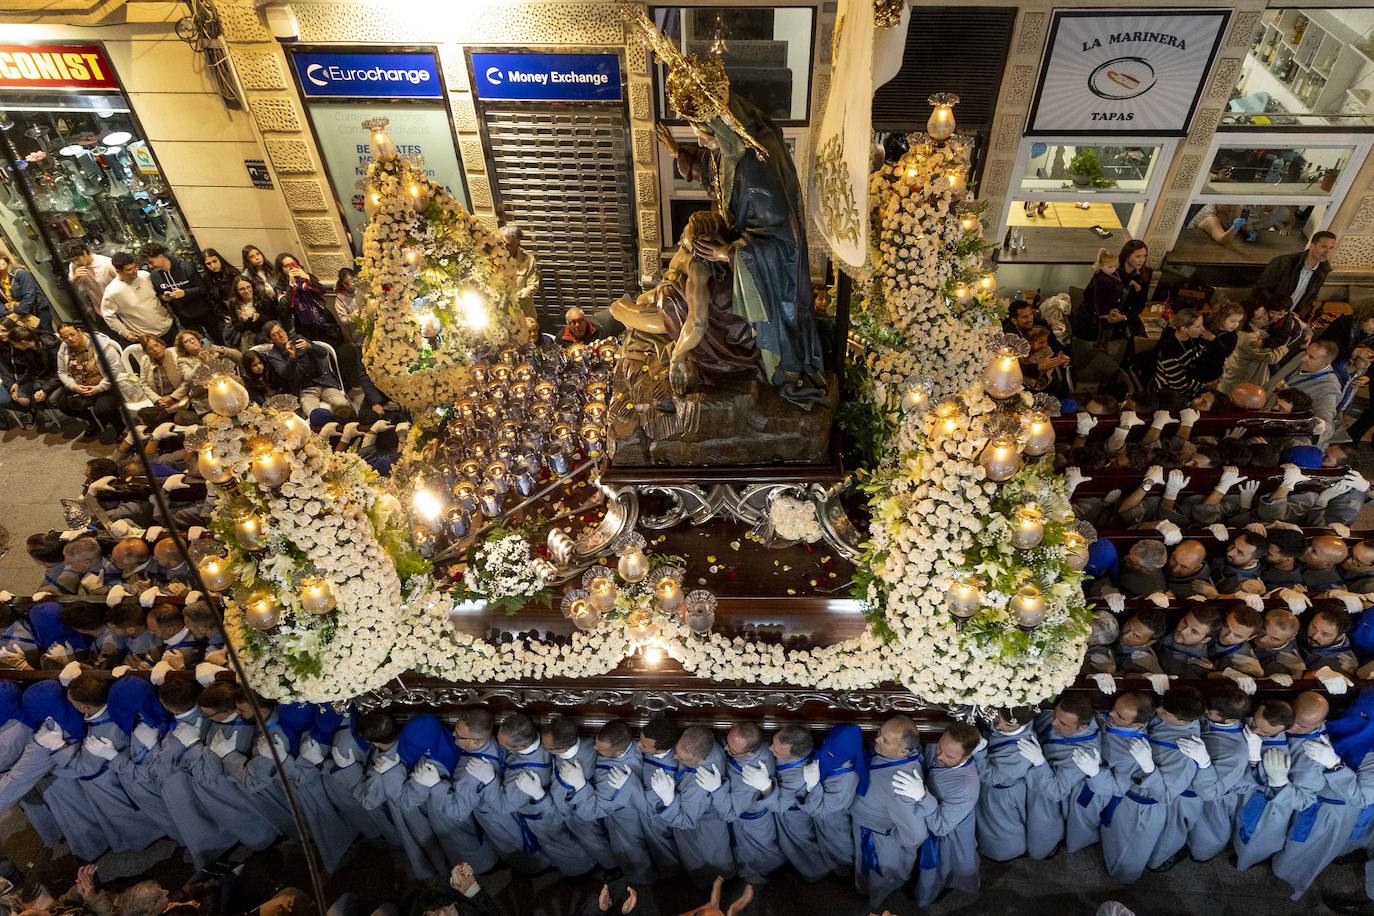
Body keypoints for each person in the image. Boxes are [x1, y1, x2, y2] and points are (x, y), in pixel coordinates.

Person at [850, 715, 927, 908]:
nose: (876, 740)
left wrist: (888, 835)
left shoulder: (900, 787)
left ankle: (879, 901)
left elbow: (915, 835)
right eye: (879, 734)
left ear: (903, 752)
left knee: (880, 876)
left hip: (879, 840)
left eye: (884, 740)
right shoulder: (895, 756)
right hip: (867, 825)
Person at [651, 724, 734, 887]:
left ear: (702, 760)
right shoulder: (707, 747)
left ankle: (711, 887)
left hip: (701, 827)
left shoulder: (698, 785)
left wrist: (668, 800)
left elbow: (685, 821)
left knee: (703, 858)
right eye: (677, 751)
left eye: (683, 759)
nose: (675, 757)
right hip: (708, 820)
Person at [914, 723, 981, 906]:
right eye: (940, 748)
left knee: (938, 870)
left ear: (966, 756)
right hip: (929, 819)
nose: (939, 757)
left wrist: (923, 796)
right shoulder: (941, 751)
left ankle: (927, 897)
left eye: (949, 756)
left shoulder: (966, 788)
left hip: (948, 836)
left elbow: (941, 827)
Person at [721, 720, 784, 884]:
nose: (726, 749)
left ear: (748, 753)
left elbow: (730, 813)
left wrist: (716, 789)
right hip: (757, 814)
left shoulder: (747, 780)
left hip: (752, 819)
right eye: (727, 742)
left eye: (732, 750)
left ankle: (764, 874)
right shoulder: (758, 746)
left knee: (757, 849)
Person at [54, 321, 132, 442]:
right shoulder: (64, 348)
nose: (70, 339)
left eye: (72, 334)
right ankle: (93, 421)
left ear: (79, 331)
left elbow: (116, 370)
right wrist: (74, 386)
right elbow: (62, 372)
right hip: (81, 386)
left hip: (106, 386)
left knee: (103, 409)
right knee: (62, 405)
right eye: (65, 338)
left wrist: (99, 388)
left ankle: (120, 427)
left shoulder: (100, 344)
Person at [260, 321, 349, 415]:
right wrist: (292, 358)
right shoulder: (274, 355)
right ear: (271, 340)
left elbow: (323, 353)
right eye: (275, 334)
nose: (281, 335)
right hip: (305, 389)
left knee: (343, 405)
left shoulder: (297, 339)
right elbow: (285, 374)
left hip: (324, 381)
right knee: (314, 415)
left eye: (281, 331)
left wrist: (310, 346)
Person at [1070, 248, 1128, 385]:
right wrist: (1105, 314)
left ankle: (1101, 346)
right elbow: (1099, 301)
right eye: (1110, 267)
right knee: (1104, 332)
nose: (1113, 269)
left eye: (1115, 266)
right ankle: (1100, 347)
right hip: (1100, 315)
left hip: (1109, 311)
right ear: (1101, 266)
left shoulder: (1110, 274)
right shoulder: (1101, 280)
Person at [1267, 339, 1342, 444]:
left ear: (1326, 362)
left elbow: (1326, 425)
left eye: (1311, 357)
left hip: (1277, 434)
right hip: (1264, 408)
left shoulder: (1329, 389)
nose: (1304, 358)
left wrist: (1319, 426)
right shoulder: (1302, 356)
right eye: (1307, 352)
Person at [142, 242, 218, 344]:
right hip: (185, 317)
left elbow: (203, 288)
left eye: (151, 262)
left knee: (218, 339)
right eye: (148, 263)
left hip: (205, 311)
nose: (150, 266)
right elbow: (159, 297)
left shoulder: (185, 267)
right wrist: (164, 298)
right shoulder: (155, 276)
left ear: (160, 256)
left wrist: (185, 293)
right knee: (199, 344)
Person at [1254, 231, 1337, 319]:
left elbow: (1311, 298)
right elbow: (1260, 289)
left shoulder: (1323, 270)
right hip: (1266, 314)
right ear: (1312, 245)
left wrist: (1299, 314)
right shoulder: (1284, 262)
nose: (1327, 252)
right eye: (1324, 246)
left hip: (1289, 318)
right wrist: (1277, 310)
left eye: (1331, 248)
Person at [100, 251, 174, 345]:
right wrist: (125, 333)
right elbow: (108, 316)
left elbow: (158, 297)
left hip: (169, 327)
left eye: (135, 266)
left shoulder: (145, 275)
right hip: (148, 339)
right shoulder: (112, 291)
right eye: (129, 269)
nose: (135, 271)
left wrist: (164, 297)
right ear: (118, 271)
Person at [173, 329, 243, 416]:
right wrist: (200, 362)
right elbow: (189, 378)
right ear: (183, 348)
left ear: (199, 340)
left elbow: (239, 356)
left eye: (193, 338)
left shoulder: (209, 348)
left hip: (228, 389)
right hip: (205, 397)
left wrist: (222, 350)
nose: (191, 341)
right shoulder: (183, 360)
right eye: (186, 341)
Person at [0, 323, 60, 422]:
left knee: (42, 400)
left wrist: (43, 389)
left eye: (3, 330)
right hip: (30, 378)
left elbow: (54, 371)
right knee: (4, 399)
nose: (0, 334)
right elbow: (4, 370)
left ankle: (38, 409)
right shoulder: (29, 349)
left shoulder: (41, 346)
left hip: (52, 377)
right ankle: (33, 411)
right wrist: (13, 384)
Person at [61, 240, 118, 336]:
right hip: (100, 311)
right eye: (71, 261)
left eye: (77, 259)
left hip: (118, 310)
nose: (75, 262)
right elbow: (71, 288)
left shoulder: (106, 263)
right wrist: (74, 278)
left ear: (84, 252)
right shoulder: (73, 266)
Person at [1151, 308, 1207, 397]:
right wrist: (1205, 384)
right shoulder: (1170, 351)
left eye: (1202, 324)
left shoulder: (1193, 337)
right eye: (1198, 326)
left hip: (1192, 381)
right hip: (1171, 394)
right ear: (1184, 329)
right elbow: (1179, 385)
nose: (1203, 329)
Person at [1191, 302, 1245, 388]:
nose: (1236, 325)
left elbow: (1225, 353)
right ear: (1221, 318)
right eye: (1232, 321)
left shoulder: (1232, 336)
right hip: (1196, 365)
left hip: (1210, 372)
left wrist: (1214, 339)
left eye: (1238, 321)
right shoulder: (1211, 326)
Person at [0, 251, 53, 332]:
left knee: (46, 338)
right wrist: (8, 315)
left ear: (5, 259)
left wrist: (18, 313)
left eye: (0, 259)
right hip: (18, 317)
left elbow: (29, 295)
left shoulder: (20, 273)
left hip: (36, 311)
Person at [137, 334, 186, 411]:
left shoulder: (176, 355)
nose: (155, 350)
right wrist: (158, 399)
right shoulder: (145, 360)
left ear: (162, 345)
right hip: (160, 399)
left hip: (180, 395)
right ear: (146, 352)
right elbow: (144, 384)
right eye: (150, 349)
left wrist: (172, 397)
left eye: (156, 345)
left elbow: (186, 381)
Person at [1117, 240, 1151, 339]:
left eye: (1144, 256)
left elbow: (1141, 303)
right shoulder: (1112, 269)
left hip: (1126, 316)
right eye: (1138, 256)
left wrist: (1124, 317)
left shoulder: (1146, 274)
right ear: (1127, 256)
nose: (1142, 260)